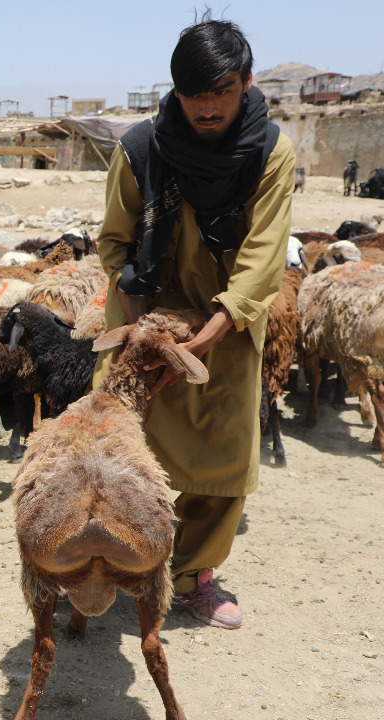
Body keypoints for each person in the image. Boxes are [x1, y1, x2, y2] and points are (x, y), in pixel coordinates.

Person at [92, 12, 295, 631]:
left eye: (222, 93)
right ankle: (118, 565)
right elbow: (115, 242)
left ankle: (194, 577)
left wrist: (208, 335)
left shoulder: (270, 153)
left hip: (229, 321)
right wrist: (143, 331)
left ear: (248, 83)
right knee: (119, 448)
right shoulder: (139, 149)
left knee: (223, 457)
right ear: (175, 93)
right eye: (193, 96)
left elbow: (263, 258)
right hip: (143, 313)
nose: (208, 109)